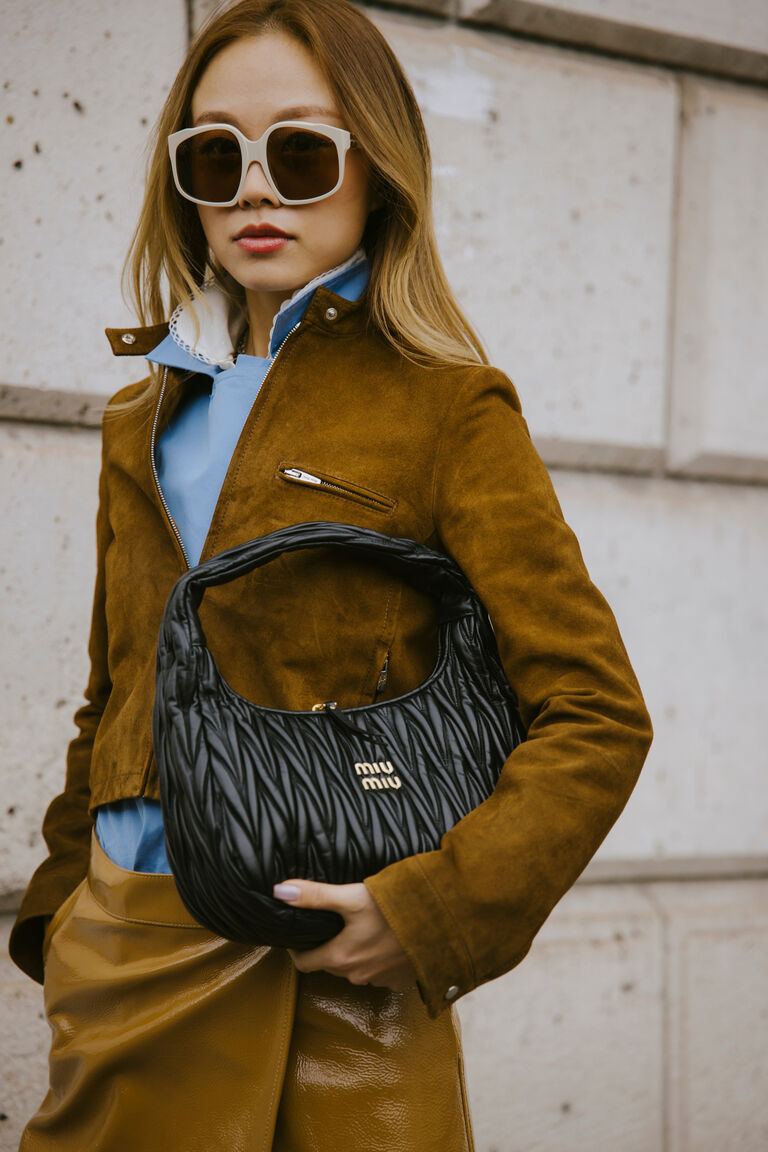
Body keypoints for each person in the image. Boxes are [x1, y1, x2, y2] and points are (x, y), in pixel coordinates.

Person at [10, 1, 653, 1148]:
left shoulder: (448, 407)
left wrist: (433, 912)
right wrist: (61, 915)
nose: (255, 189)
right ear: (186, 185)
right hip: (128, 946)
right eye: (217, 156)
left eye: (300, 153)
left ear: (377, 169)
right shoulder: (138, 417)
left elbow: (597, 714)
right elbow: (118, 693)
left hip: (336, 972)